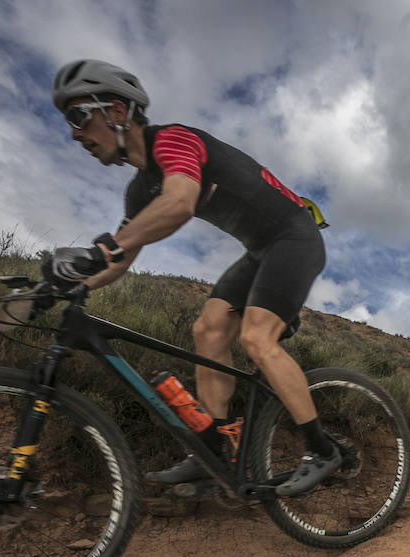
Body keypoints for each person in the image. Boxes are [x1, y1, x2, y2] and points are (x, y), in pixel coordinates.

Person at [43, 59, 338, 497]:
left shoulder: (174, 140)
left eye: (79, 116)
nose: (74, 133)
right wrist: (71, 284)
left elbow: (179, 202)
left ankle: (322, 451)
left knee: (257, 338)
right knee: (208, 330)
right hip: (260, 250)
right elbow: (122, 258)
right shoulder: (140, 189)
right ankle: (216, 448)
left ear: (119, 112)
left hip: (295, 236)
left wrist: (100, 249)